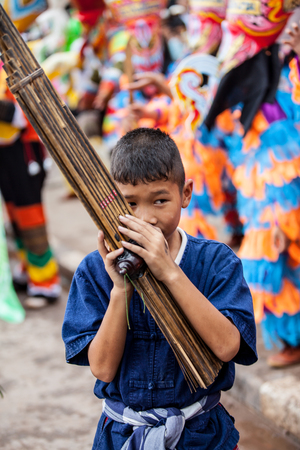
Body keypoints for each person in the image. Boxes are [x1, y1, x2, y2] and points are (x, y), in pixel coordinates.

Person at [62, 128, 257, 449]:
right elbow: (103, 368)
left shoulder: (216, 261)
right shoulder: (95, 270)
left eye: (160, 200)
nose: (146, 217)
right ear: (111, 201)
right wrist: (120, 290)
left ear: (186, 193)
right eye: (130, 203)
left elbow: (227, 348)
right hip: (123, 435)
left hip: (202, 434)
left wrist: (168, 270)